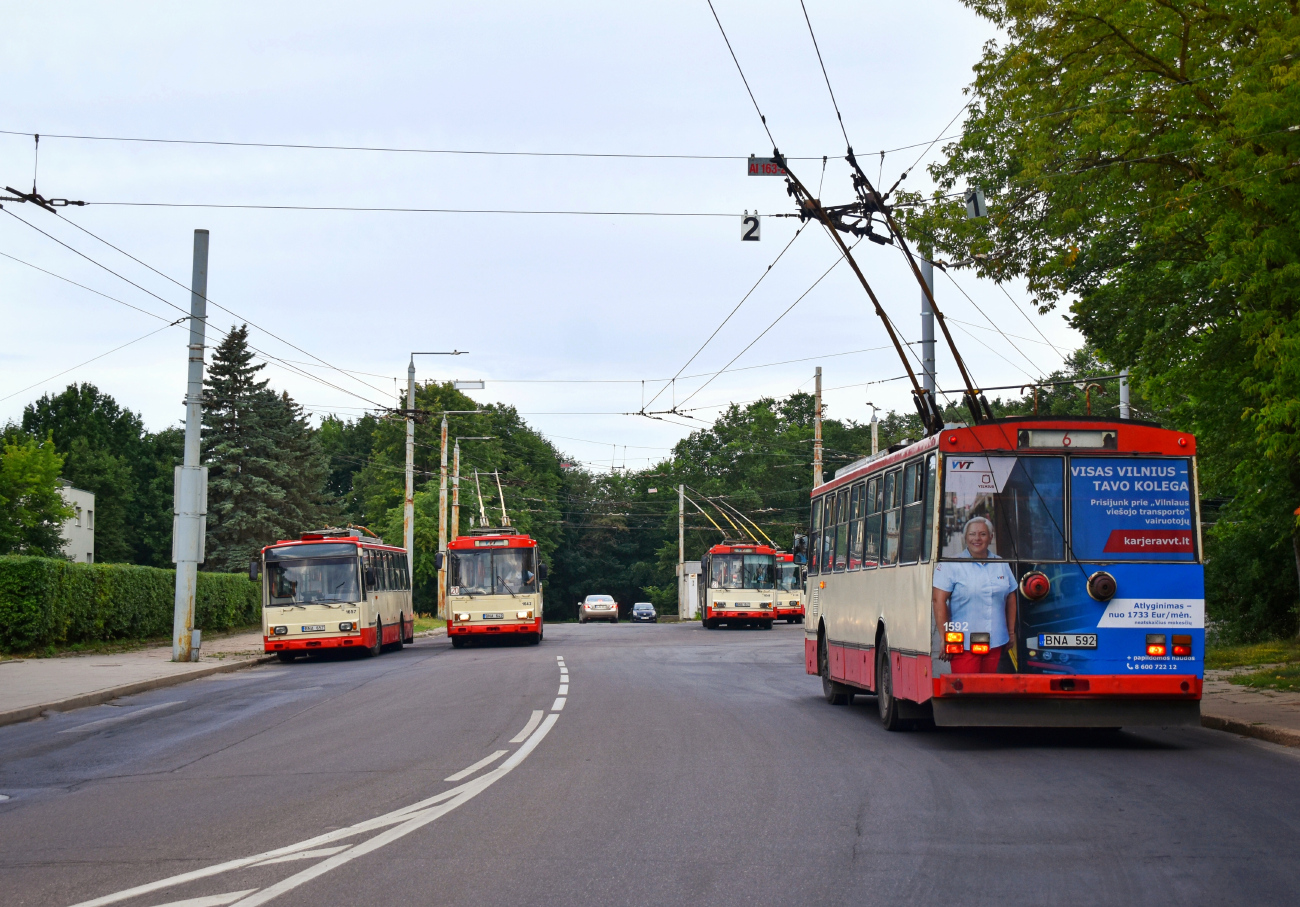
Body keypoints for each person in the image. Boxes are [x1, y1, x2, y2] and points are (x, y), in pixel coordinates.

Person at [932, 516, 1017, 673]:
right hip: (964, 644)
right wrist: (944, 637)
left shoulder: (1001, 563)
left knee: (988, 691)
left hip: (996, 642)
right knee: (966, 692)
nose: (977, 538)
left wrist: (1011, 632)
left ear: (991, 537)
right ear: (965, 537)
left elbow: (1011, 596)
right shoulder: (951, 564)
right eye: (972, 534)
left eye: (983, 534)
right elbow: (939, 601)